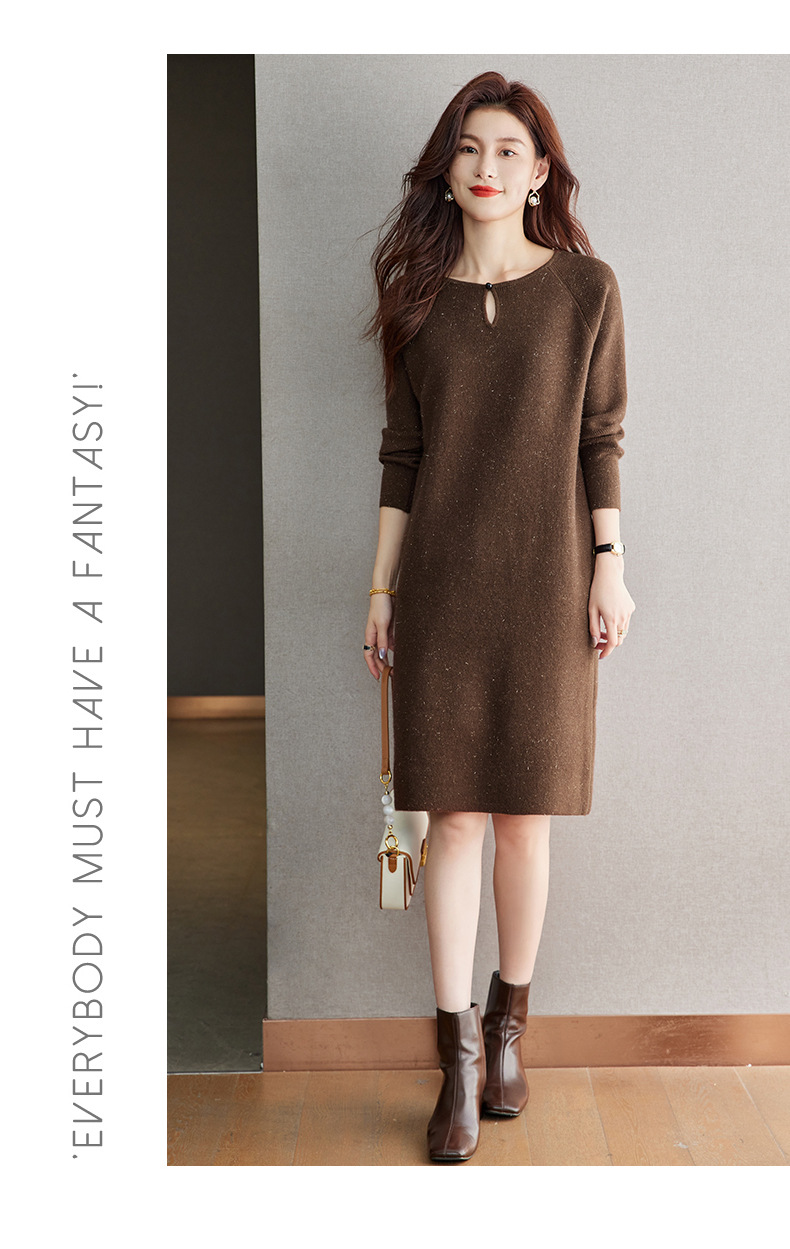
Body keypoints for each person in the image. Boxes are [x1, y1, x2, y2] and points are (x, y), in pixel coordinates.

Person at [362, 71, 636, 1163]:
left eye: (508, 150)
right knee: (453, 821)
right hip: (440, 591)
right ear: (448, 171)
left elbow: (599, 438)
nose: (487, 166)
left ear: (538, 172)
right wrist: (379, 593)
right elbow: (401, 458)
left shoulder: (586, 290)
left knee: (525, 818)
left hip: (551, 584)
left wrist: (609, 566)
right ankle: (460, 1060)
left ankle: (511, 1023)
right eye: (470, 149)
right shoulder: (416, 302)